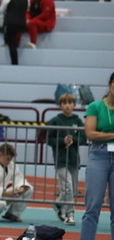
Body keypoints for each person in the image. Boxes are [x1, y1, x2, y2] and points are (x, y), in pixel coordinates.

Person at [70, 72, 114, 240]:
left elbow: (98, 132)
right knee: (93, 204)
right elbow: (91, 134)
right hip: (99, 156)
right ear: (110, 84)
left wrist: (104, 134)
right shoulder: (95, 107)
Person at [45, 93, 86, 226]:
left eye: (70, 103)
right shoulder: (55, 120)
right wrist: (62, 141)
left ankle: (58, 203)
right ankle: (70, 214)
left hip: (74, 159)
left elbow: (83, 138)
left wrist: (74, 140)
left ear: (74, 105)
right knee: (67, 187)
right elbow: (49, 140)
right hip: (61, 159)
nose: (67, 106)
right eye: (64, 103)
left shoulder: (77, 120)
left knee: (72, 189)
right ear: (60, 105)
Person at [0, 143, 33, 222]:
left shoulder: (11, 165)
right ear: (0, 155)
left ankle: (12, 214)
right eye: (7, 159)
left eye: (11, 159)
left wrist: (21, 187)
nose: (9, 161)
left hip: (6, 194)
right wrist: (5, 193)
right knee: (1, 204)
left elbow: (18, 177)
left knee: (29, 189)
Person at [0, 0, 29, 65]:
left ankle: (14, 63)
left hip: (11, 23)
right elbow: (27, 9)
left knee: (12, 43)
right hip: (21, 24)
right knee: (13, 41)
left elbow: (1, 9)